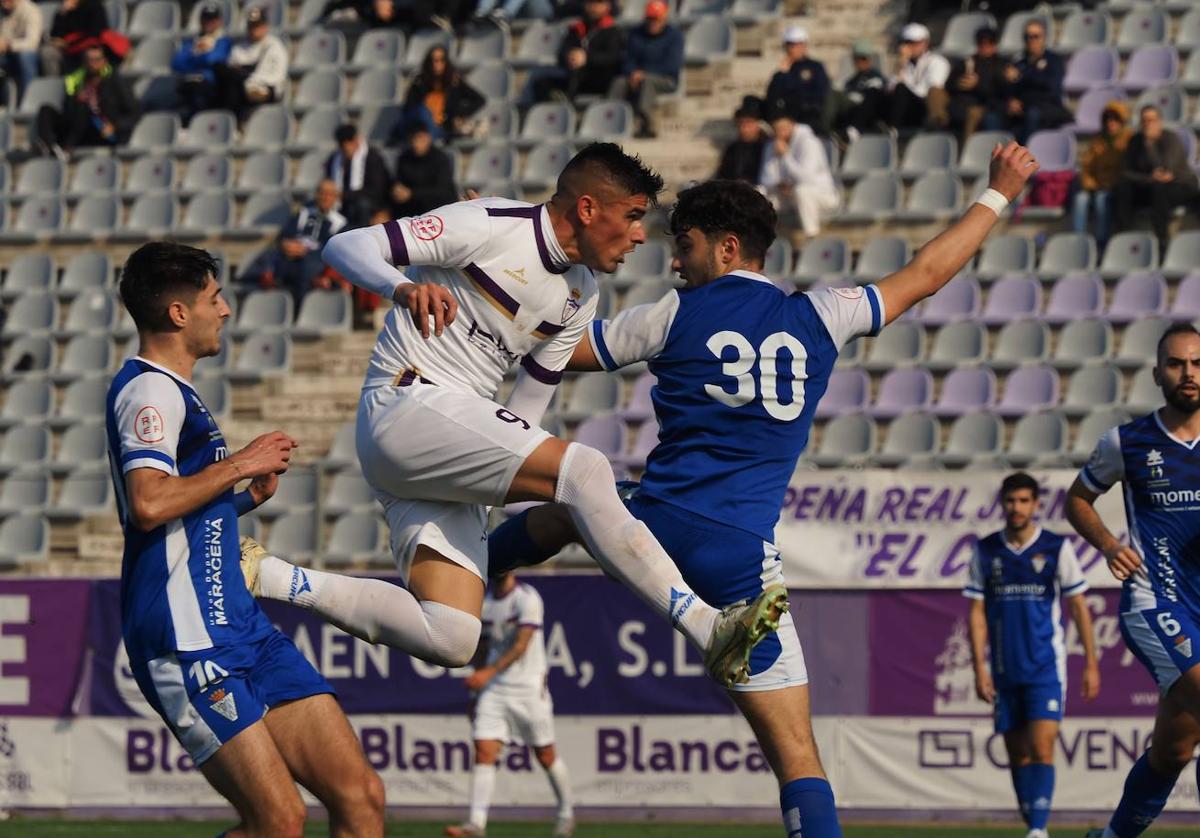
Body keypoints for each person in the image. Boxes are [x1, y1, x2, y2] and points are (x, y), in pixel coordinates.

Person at [485, 143, 1040, 837]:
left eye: (683, 246)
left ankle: (477, 565)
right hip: (740, 562)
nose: (674, 262)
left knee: (571, 503)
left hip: (652, 528)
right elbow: (926, 275)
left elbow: (560, 348)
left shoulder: (670, 316)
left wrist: (496, 292)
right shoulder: (821, 315)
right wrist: (997, 193)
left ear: (726, 247)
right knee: (798, 757)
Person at [239, 143, 785, 692]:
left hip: (444, 441)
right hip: (406, 403)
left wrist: (577, 506)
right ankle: (706, 626)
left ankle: (268, 575)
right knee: (586, 469)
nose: (641, 237)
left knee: (451, 636)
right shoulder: (489, 224)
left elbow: (522, 415)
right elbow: (346, 244)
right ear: (589, 209)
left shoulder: (581, 296)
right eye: (634, 217)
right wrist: (403, 288)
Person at [106, 242, 385, 838]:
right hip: (186, 638)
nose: (226, 310)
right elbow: (149, 502)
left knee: (360, 797)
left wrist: (240, 499)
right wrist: (241, 463)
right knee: (278, 822)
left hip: (240, 626)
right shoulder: (148, 392)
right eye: (214, 298)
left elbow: (179, 509)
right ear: (180, 314)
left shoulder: (176, 391)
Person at [1070, 323, 1200, 838]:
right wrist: (1107, 544)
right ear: (1157, 373)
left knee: (1174, 748)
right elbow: (1077, 500)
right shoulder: (1127, 442)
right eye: (1176, 364)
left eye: (1196, 363)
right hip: (1156, 601)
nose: (1188, 374)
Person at [964, 472, 1100, 838]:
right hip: (1005, 669)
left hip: (1046, 667)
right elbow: (976, 612)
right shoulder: (986, 550)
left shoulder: (1057, 548)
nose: (1017, 507)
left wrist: (1090, 662)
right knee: (1017, 755)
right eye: (1011, 500)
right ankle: (1034, 826)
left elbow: (1079, 606)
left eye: (1024, 501)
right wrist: (979, 667)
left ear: (1036, 504)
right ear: (1002, 503)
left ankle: (1038, 830)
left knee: (1042, 746)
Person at [444, 573, 574, 838]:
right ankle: (476, 825)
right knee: (484, 750)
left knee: (545, 753)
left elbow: (520, 646)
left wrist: (487, 674)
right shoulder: (484, 602)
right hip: (495, 689)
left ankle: (566, 812)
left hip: (528, 688)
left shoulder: (526, 599)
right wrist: (476, 694)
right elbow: (481, 650)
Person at [1112, 105, 1200, 252]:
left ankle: (1162, 242)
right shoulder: (1135, 141)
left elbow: (1166, 169)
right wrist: (1148, 178)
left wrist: (1150, 145)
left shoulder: (1171, 138)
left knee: (1160, 189)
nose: (1147, 124)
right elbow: (1126, 171)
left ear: (1159, 121)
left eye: (1151, 120)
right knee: (1123, 187)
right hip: (1149, 184)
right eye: (1144, 120)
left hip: (1179, 185)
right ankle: (1122, 236)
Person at [33, 45, 139, 158]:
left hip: (102, 131)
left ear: (104, 61)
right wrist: (75, 99)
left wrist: (114, 126)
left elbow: (135, 112)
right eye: (89, 60)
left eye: (96, 60)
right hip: (77, 128)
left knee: (84, 107)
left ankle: (66, 149)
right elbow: (67, 111)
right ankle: (49, 147)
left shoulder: (115, 81)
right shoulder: (77, 80)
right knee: (45, 110)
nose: (92, 64)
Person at [257, 180, 348, 307]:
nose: (325, 197)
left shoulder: (340, 222)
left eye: (329, 194)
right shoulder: (303, 214)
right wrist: (286, 244)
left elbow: (332, 248)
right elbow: (284, 235)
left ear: (336, 197)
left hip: (315, 258)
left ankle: (298, 308)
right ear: (316, 195)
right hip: (292, 253)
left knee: (305, 268)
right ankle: (268, 289)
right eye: (321, 193)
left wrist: (305, 251)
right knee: (268, 255)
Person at [607, 0, 683, 139]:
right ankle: (610, 118)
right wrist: (631, 73)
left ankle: (647, 124)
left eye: (656, 18)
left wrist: (644, 73)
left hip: (666, 79)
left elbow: (671, 66)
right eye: (650, 18)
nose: (652, 22)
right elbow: (628, 59)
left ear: (664, 18)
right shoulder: (636, 33)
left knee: (647, 82)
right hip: (637, 76)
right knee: (619, 82)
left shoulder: (675, 36)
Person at [526, 0, 625, 106]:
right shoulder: (577, 29)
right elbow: (562, 53)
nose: (593, 6)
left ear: (607, 6)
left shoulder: (613, 31)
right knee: (541, 84)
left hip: (600, 79)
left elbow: (613, 57)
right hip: (575, 77)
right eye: (590, 3)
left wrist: (587, 58)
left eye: (598, 3)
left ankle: (567, 106)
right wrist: (569, 56)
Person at [758, 115, 839, 238]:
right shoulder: (772, 145)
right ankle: (761, 239)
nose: (780, 132)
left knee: (802, 191)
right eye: (776, 129)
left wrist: (785, 156)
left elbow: (806, 178)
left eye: (783, 128)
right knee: (758, 192)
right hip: (787, 195)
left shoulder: (810, 142)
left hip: (822, 195)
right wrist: (779, 184)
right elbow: (765, 179)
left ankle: (812, 236)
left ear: (792, 125)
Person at [993, 18, 1071, 143]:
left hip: (1048, 107)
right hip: (1023, 108)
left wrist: (1022, 77)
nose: (1031, 40)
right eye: (1027, 37)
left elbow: (1050, 87)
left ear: (1044, 38)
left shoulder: (1054, 61)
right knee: (993, 117)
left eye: (1035, 36)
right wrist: (1011, 100)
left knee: (1032, 114)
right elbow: (1010, 89)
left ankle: (1027, 156)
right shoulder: (1019, 63)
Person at [398, 45, 486, 143]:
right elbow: (408, 109)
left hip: (441, 128)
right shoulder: (419, 83)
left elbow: (480, 100)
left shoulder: (454, 82)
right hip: (419, 127)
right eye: (433, 60)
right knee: (422, 111)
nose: (436, 64)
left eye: (441, 60)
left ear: (446, 62)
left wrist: (459, 114)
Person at [216, 5, 287, 124]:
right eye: (251, 26)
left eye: (258, 26)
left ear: (265, 26)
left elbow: (275, 77)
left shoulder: (274, 46)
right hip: (241, 86)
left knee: (237, 89)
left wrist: (249, 80)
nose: (254, 30)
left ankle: (233, 124)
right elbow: (232, 66)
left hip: (265, 88)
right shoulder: (240, 46)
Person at [1073, 100, 1130, 247]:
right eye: (1108, 119)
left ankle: (1101, 241)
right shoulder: (1097, 141)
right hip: (1096, 186)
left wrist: (1109, 185)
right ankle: (1078, 241)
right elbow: (1086, 167)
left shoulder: (1129, 140)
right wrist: (1090, 184)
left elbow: (1126, 169)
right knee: (1080, 199)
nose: (1111, 123)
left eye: (1115, 119)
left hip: (1114, 188)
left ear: (1122, 121)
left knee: (1101, 199)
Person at [171, 2, 232, 123]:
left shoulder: (223, 41)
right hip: (189, 84)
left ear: (219, 21)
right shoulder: (192, 42)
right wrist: (197, 53)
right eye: (206, 19)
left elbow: (213, 60)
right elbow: (176, 63)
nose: (208, 22)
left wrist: (194, 57)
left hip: (210, 87)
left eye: (212, 19)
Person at [764, 24, 830, 133]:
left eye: (797, 44)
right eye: (790, 45)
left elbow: (819, 94)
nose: (793, 49)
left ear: (804, 45)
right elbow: (772, 95)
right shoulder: (783, 71)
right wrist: (782, 74)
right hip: (785, 116)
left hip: (808, 115)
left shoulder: (815, 67)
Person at [326, 123, 393, 228]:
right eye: (344, 145)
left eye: (350, 142)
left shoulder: (373, 157)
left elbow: (376, 190)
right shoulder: (334, 159)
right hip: (342, 202)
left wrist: (344, 195)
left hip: (370, 205)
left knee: (361, 205)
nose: (347, 147)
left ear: (356, 140)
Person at [946, 26, 1006, 141]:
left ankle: (965, 150)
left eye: (989, 43)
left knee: (973, 113)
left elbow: (998, 93)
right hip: (958, 103)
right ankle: (936, 124)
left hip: (983, 106)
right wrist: (958, 84)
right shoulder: (967, 62)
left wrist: (977, 85)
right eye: (981, 43)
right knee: (935, 92)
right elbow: (948, 85)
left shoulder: (1000, 64)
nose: (985, 46)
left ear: (995, 44)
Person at [888, 22, 950, 131]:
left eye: (913, 43)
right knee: (874, 92)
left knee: (901, 89)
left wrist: (904, 87)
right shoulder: (904, 63)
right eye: (906, 43)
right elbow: (890, 88)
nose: (908, 47)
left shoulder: (937, 62)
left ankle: (894, 128)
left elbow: (929, 91)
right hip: (905, 104)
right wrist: (901, 64)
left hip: (923, 106)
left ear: (925, 43)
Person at [390, 123, 459, 218]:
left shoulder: (440, 158)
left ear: (428, 138)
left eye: (420, 138)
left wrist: (412, 194)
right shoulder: (404, 158)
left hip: (439, 209)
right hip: (412, 209)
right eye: (413, 139)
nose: (416, 143)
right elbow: (400, 184)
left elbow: (442, 190)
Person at [833, 38, 885, 141]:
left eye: (864, 58)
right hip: (850, 112)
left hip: (866, 115)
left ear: (870, 59)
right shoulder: (851, 81)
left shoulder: (876, 77)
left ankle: (854, 129)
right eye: (858, 58)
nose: (861, 62)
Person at [40, 0, 107, 78]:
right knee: (48, 52)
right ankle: (54, 84)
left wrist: (70, 43)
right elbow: (55, 34)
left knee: (90, 54)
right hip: (65, 48)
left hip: (86, 46)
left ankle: (89, 83)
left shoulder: (95, 6)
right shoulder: (65, 9)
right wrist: (62, 14)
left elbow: (96, 33)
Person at [715, 96, 766, 184]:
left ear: (758, 124)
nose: (744, 128)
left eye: (748, 122)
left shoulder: (768, 146)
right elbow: (722, 177)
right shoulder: (732, 149)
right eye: (741, 123)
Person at [0, 0, 41, 99]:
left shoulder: (31, 10)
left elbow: (32, 43)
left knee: (25, 57)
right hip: (6, 55)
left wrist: (9, 45)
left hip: (27, 53)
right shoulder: (2, 11)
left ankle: (28, 99)